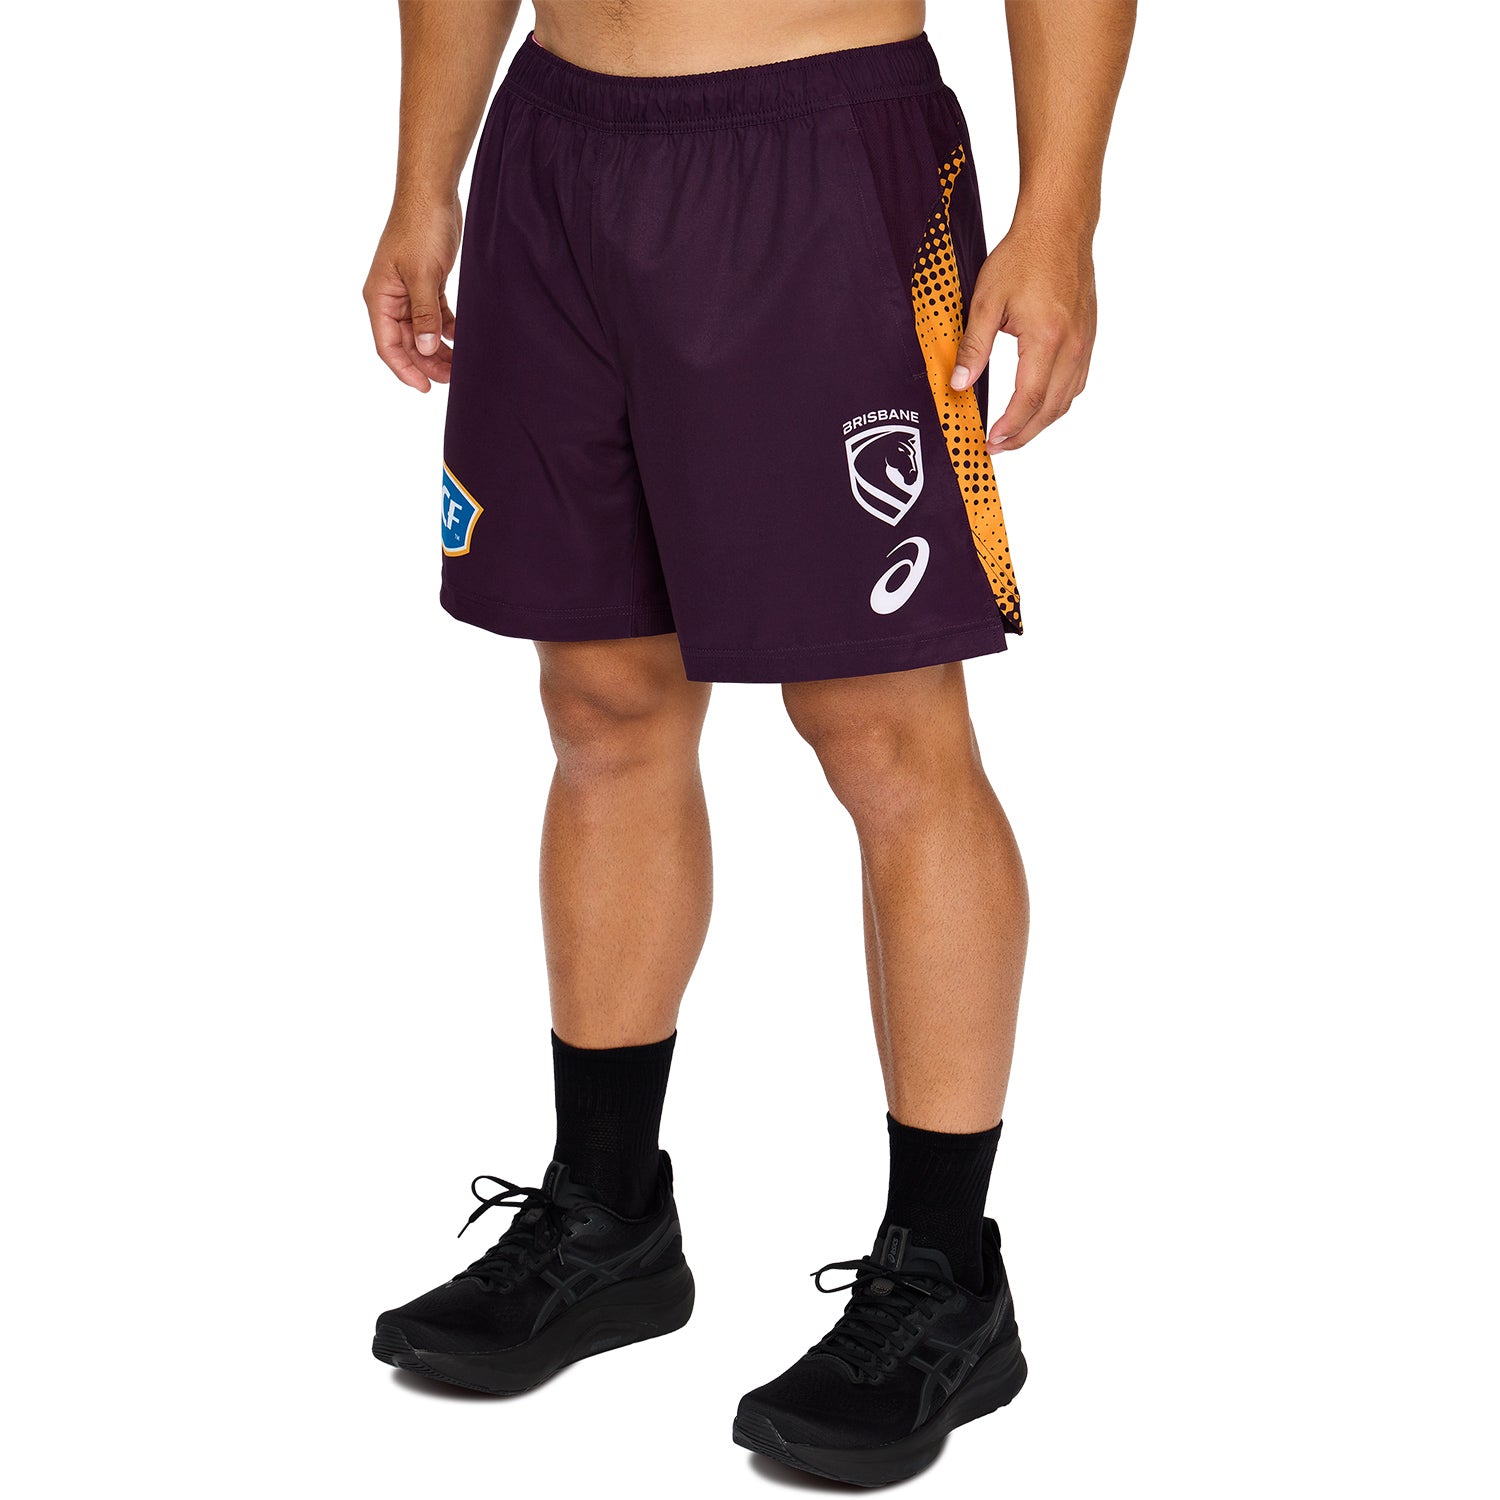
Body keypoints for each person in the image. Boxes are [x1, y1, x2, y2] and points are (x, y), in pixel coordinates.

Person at [364, 0, 1133, 1483]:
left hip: (822, 156)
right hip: (558, 150)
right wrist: (423, 177)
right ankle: (607, 1214)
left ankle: (943, 1276)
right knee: (604, 699)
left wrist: (1060, 217)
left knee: (882, 728)